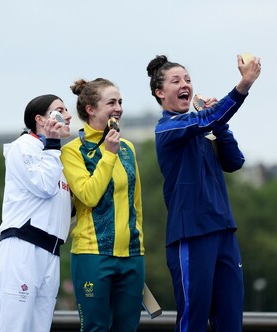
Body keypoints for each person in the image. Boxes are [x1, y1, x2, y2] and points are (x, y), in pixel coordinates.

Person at [145, 54, 261, 331]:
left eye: (187, 79)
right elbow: (205, 120)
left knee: (230, 320)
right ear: (160, 93)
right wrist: (243, 84)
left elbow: (235, 162)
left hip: (223, 230)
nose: (185, 84)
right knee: (193, 320)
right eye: (176, 81)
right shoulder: (168, 128)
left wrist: (220, 125)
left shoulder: (202, 127)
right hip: (192, 233)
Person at [60, 78, 145, 331]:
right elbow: (88, 195)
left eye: (120, 102)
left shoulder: (128, 148)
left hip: (132, 255)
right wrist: (108, 154)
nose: (118, 108)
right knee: (96, 328)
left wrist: (138, 243)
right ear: (91, 109)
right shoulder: (73, 151)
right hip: (93, 255)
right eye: (111, 102)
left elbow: (136, 203)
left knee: (128, 328)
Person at [0, 94, 73, 332]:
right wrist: (52, 144)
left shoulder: (55, 154)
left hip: (51, 253)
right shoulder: (24, 146)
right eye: (60, 110)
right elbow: (44, 187)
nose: (68, 115)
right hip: (22, 248)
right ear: (40, 119)